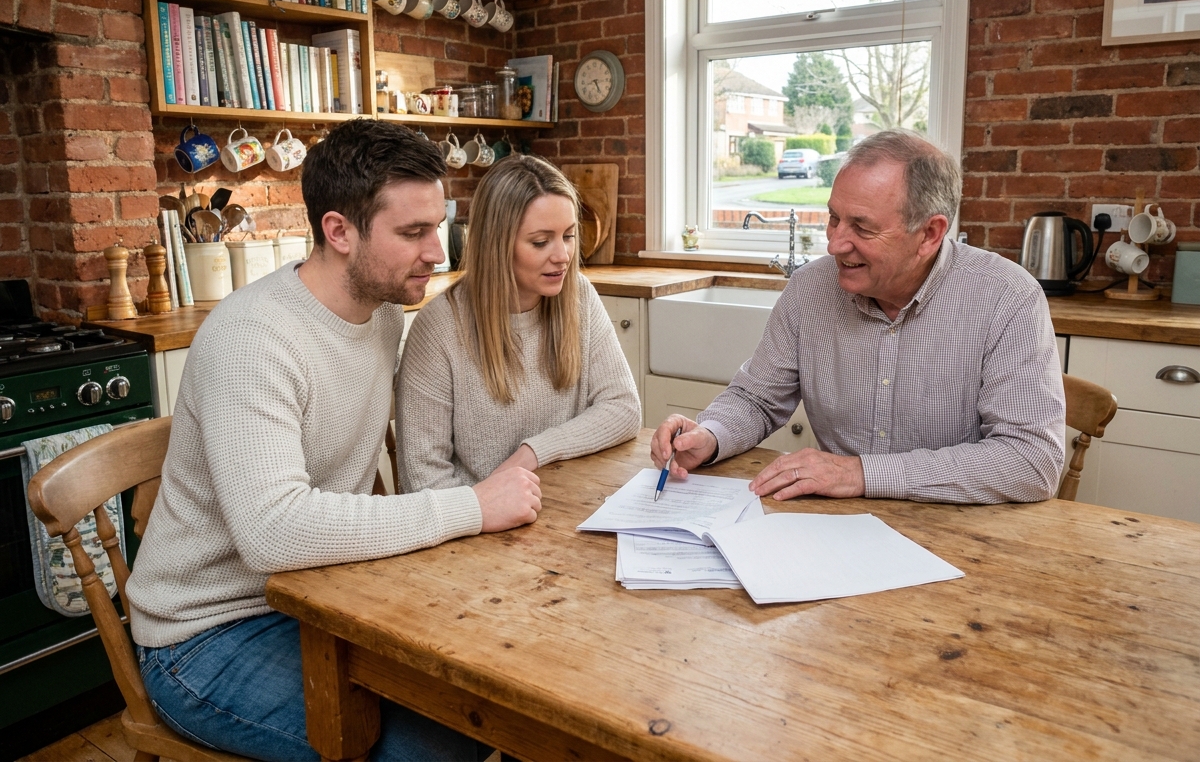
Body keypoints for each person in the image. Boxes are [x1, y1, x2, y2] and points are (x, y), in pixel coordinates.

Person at [125, 120, 542, 762]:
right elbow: (273, 532)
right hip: (206, 634)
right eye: (413, 233)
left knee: (501, 695)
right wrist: (473, 507)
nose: (438, 251)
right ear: (339, 232)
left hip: (322, 596)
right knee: (440, 744)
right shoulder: (253, 339)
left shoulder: (380, 314)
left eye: (438, 225)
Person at [650, 129, 1065, 505]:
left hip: (960, 535)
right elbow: (757, 399)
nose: (835, 245)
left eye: (862, 228)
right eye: (833, 218)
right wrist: (711, 435)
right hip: (836, 526)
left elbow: (1031, 459)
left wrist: (862, 474)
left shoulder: (1008, 298)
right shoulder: (810, 289)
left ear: (930, 234)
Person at [397, 155, 640, 493]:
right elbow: (423, 480)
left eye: (569, 236)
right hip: (477, 528)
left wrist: (532, 454)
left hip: (562, 505)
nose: (562, 256)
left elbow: (624, 408)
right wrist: (488, 504)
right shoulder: (439, 328)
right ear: (497, 245)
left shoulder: (579, 296)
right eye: (541, 242)